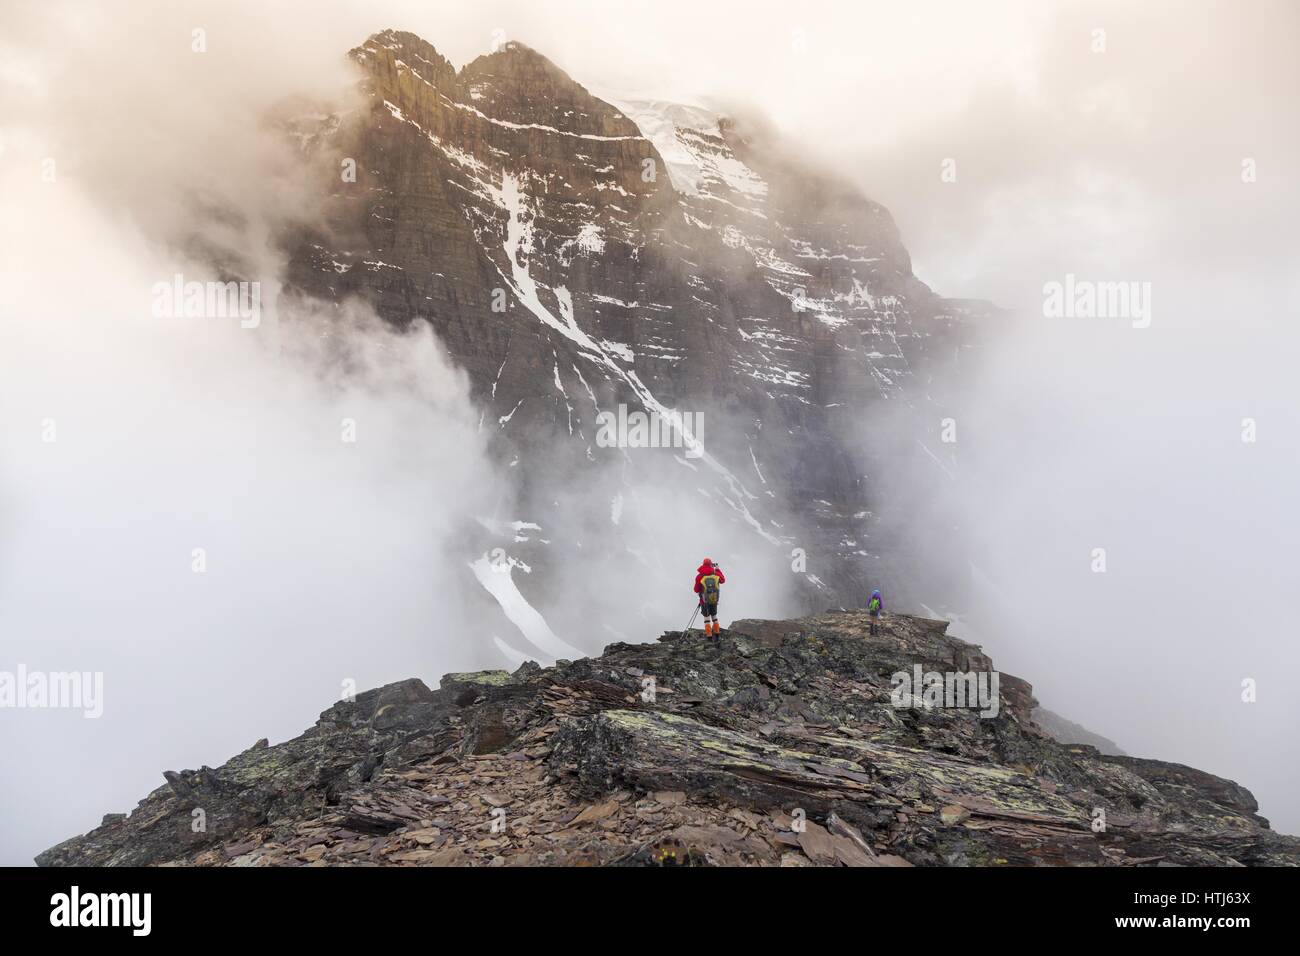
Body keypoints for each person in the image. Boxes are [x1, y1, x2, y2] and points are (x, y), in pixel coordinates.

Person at [693, 558, 726, 638]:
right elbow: (723, 580)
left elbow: (696, 590)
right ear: (711, 564)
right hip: (714, 599)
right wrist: (718, 570)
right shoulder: (715, 574)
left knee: (706, 618)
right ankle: (717, 633)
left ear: (703, 564)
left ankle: (709, 636)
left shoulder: (699, 576)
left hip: (704, 601)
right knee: (714, 616)